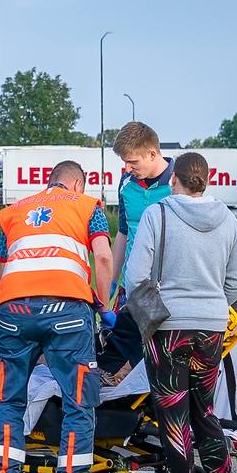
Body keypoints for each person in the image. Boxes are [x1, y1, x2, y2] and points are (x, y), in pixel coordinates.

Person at [123, 152, 237, 473]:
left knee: (173, 414)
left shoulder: (157, 214)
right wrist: (212, 304)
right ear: (207, 180)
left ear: (173, 178)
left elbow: (135, 276)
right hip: (212, 327)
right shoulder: (228, 219)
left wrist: (156, 308)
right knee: (204, 410)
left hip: (168, 328)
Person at [0, 160, 113, 473]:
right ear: (77, 184)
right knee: (78, 401)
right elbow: (103, 257)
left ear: (50, 181)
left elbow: (3, 271)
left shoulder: (13, 212)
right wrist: (104, 307)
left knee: (7, 398)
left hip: (14, 311)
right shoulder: (87, 206)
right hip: (67, 311)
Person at [99, 121, 174, 385]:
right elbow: (123, 232)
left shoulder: (177, 183)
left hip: (167, 286)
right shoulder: (126, 183)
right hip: (132, 283)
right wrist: (111, 281)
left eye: (132, 162)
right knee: (117, 356)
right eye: (124, 163)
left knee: (161, 357)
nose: (128, 168)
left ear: (152, 153)